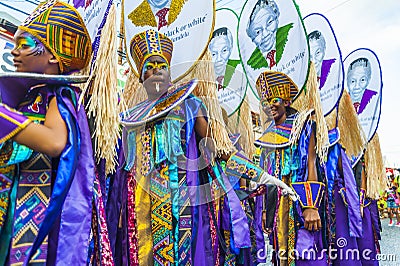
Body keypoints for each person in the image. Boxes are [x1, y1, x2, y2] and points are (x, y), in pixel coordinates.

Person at [106, 29, 296, 265]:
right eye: (149, 66)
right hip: (140, 213)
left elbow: (218, 152)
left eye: (161, 65)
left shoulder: (190, 106)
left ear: (169, 73)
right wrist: (120, 211)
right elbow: (121, 173)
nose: (155, 70)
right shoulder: (130, 120)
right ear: (141, 76)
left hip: (184, 208)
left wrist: (265, 177)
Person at [0, 1, 97, 265]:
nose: (14, 52)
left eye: (25, 44)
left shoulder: (59, 95)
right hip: (12, 201)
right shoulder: (25, 96)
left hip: (36, 209)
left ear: (53, 56)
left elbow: (55, 142)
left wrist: (4, 117)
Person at [254, 71, 328, 265]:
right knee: (280, 252)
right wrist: (264, 211)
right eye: (265, 102)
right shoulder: (266, 137)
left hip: (299, 203)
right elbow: (265, 176)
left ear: (286, 102)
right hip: (277, 206)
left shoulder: (302, 126)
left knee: (304, 254)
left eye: (275, 99)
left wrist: (310, 206)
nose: (270, 105)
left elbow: (311, 163)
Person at [246, 0, 291, 70]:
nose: (265, 34)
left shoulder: (291, 36)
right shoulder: (250, 65)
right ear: (251, 37)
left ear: (276, 19)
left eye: (269, 22)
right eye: (257, 32)